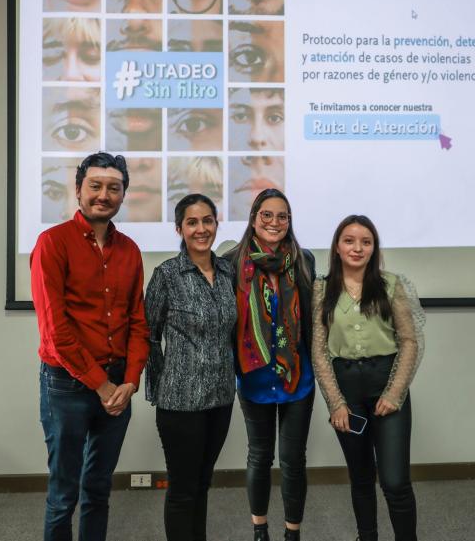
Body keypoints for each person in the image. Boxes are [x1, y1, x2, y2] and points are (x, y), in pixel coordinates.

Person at [30, 152, 151, 541]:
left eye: (114, 188)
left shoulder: (129, 250)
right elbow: (56, 331)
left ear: (123, 195)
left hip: (118, 383)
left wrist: (129, 381)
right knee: (63, 493)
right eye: (95, 186)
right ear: (79, 189)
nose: (104, 195)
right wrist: (102, 386)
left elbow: (137, 321)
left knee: (98, 488)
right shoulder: (52, 243)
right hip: (67, 384)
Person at [310, 215, 426, 541]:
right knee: (361, 478)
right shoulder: (321, 289)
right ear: (337, 246)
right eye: (349, 240)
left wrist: (394, 393)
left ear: (374, 248)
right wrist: (336, 403)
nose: (357, 248)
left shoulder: (391, 285)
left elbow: (409, 341)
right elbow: (318, 351)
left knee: (395, 482)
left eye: (366, 242)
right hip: (346, 391)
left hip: (386, 384)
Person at [223, 189, 316, 541]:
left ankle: (292, 533)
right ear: (253, 218)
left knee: (293, 460)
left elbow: (310, 318)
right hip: (254, 377)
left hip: (297, 377)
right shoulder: (232, 261)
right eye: (267, 215)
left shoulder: (304, 260)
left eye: (282, 216)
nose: (274, 222)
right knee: (259, 456)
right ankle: (259, 530)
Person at [145, 194, 238, 541]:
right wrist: (162, 385)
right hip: (180, 403)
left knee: (202, 483)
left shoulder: (228, 272)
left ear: (216, 224)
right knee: (183, 489)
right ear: (179, 229)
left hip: (221, 398)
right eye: (192, 222)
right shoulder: (167, 275)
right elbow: (148, 335)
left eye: (207, 221)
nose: (201, 229)